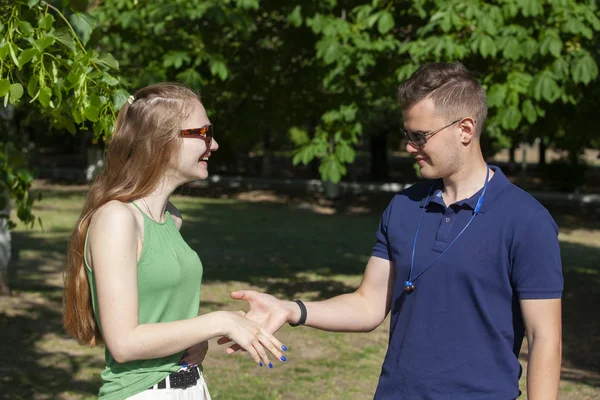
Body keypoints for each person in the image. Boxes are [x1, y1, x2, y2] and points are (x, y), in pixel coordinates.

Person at [223, 63, 563, 399]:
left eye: (420, 136)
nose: (409, 147)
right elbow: (368, 304)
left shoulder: (527, 220)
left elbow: (544, 336)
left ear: (466, 129)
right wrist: (291, 308)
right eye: (407, 135)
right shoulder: (403, 206)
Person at [63, 83, 287, 400]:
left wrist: (193, 338)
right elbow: (124, 343)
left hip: (189, 387)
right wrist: (219, 321)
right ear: (162, 141)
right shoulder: (117, 219)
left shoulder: (171, 218)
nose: (215, 144)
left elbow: (160, 316)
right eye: (204, 133)